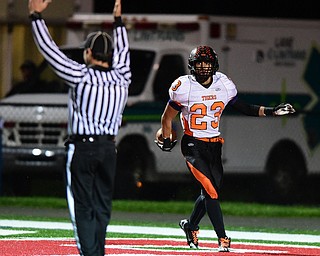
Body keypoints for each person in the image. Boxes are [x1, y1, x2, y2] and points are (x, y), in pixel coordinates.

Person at [155, 45, 295, 252]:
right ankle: (223, 238)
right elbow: (167, 117)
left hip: (214, 146)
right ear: (192, 66)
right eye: (199, 63)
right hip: (193, 145)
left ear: (214, 65)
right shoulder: (183, 86)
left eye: (207, 63)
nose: (203, 67)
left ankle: (191, 225)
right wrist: (166, 137)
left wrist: (272, 111)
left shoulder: (223, 84)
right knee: (211, 192)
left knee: (209, 193)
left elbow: (245, 108)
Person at [28, 0, 131, 255]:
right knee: (103, 205)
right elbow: (125, 52)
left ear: (88, 53)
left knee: (82, 207)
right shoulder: (122, 78)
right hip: (109, 148)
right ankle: (98, 251)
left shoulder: (80, 76)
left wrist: (35, 17)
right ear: (110, 56)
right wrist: (118, 23)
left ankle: (91, 253)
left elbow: (49, 51)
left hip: (83, 148)